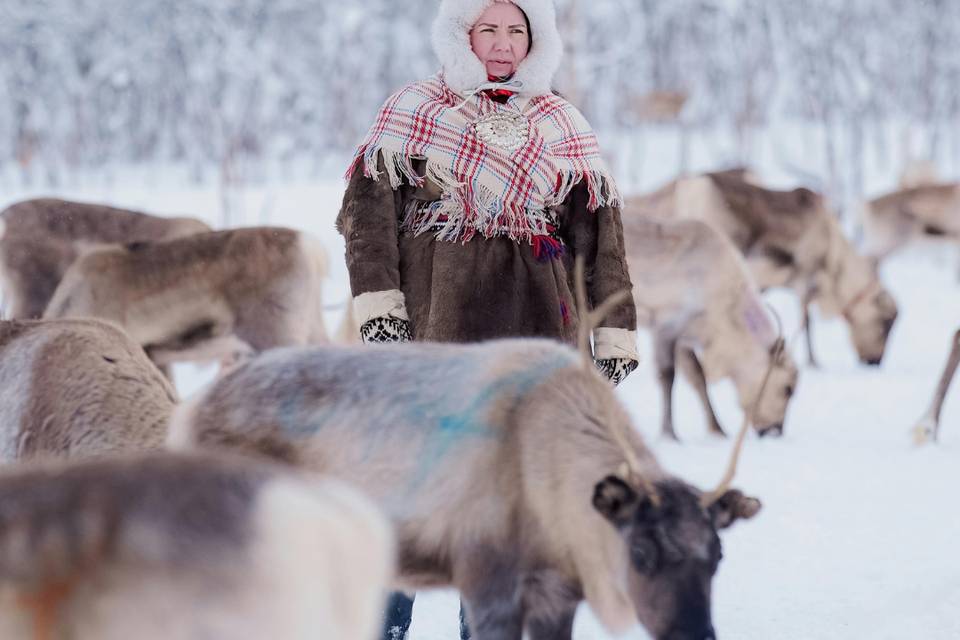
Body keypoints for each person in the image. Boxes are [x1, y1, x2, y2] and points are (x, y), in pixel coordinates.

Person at [336, 1, 639, 638]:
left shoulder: (562, 124)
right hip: (431, 337)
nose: (502, 45)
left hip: (532, 337)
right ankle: (384, 625)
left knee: (504, 504)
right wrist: (380, 309)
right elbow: (367, 219)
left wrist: (612, 330)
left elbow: (599, 239)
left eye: (516, 32)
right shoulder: (415, 110)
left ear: (538, 41)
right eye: (488, 30)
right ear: (461, 34)